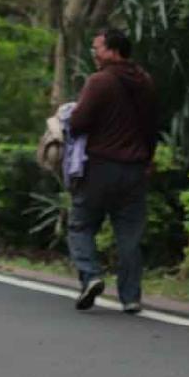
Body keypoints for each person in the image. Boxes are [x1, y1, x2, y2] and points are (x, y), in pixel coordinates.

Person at [65, 28, 158, 313]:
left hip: (100, 167)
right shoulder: (145, 81)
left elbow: (78, 122)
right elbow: (152, 126)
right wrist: (148, 160)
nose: (94, 53)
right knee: (129, 236)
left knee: (80, 225)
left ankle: (91, 275)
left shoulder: (100, 81)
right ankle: (130, 297)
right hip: (135, 170)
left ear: (113, 51)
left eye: (98, 48)